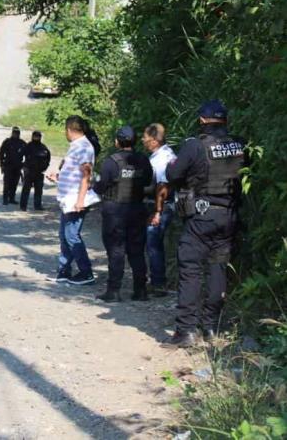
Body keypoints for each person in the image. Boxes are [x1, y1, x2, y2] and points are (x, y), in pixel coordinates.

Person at [164, 100, 246, 347]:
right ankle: (211, 327)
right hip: (229, 215)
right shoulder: (240, 145)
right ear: (225, 120)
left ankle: (186, 331)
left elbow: (173, 175)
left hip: (201, 215)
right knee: (218, 268)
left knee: (190, 269)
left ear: (202, 120)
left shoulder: (194, 146)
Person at [93, 126, 153, 302]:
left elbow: (101, 186)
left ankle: (113, 291)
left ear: (117, 142)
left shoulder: (111, 161)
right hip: (136, 209)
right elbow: (148, 181)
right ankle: (140, 290)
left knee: (116, 250)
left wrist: (94, 185)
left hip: (115, 211)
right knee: (136, 251)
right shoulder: (143, 160)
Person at [47, 115, 100, 285]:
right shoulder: (75, 146)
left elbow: (86, 176)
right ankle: (64, 270)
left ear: (69, 130)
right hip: (67, 199)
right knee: (64, 235)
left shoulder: (84, 147)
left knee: (72, 235)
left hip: (75, 200)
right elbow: (73, 173)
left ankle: (86, 272)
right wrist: (58, 176)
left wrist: (80, 200)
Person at [142, 123, 177, 297]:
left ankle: (158, 283)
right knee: (154, 243)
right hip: (161, 205)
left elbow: (163, 187)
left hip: (163, 206)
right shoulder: (162, 155)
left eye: (146, 138)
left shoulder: (162, 159)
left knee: (153, 243)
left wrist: (157, 212)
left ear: (155, 140)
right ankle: (156, 280)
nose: (143, 140)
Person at [20, 130, 51, 211]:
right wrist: (23, 167)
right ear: (32, 136)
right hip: (29, 171)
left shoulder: (43, 147)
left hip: (39, 172)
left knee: (39, 190)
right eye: (35, 136)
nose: (36, 138)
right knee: (26, 189)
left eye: (38, 136)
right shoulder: (28, 146)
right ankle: (23, 206)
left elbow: (48, 158)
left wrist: (45, 167)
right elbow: (20, 155)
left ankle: (37, 206)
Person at [0, 126, 26, 205]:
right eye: (14, 133)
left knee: (14, 183)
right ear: (12, 133)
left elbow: (28, 153)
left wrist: (24, 164)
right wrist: (2, 163)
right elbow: (1, 153)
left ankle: (12, 198)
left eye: (17, 133)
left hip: (17, 166)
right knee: (7, 183)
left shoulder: (22, 143)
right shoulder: (7, 142)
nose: (15, 134)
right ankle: (5, 199)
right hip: (8, 165)